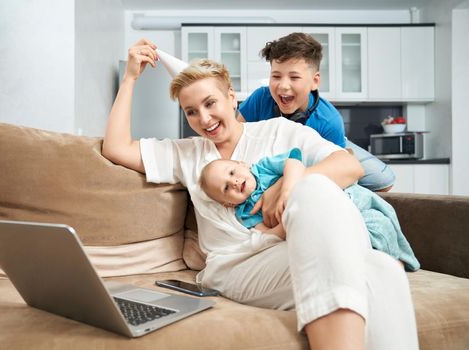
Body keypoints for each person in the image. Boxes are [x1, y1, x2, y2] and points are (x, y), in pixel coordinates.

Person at [102, 38, 418, 350]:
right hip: (238, 264)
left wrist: (288, 184)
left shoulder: (280, 131)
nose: (205, 119)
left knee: (383, 269)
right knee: (362, 265)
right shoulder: (186, 153)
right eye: (191, 112)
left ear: (231, 98)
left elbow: (348, 165)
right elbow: (115, 148)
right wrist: (130, 78)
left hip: (292, 247)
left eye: (210, 103)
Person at [198, 149, 420, 271]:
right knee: (351, 244)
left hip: (344, 198)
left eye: (231, 173)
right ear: (228, 203)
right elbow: (266, 234)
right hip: (316, 222)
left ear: (242, 164)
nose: (234, 182)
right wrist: (287, 225)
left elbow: (294, 162)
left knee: (376, 224)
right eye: (226, 188)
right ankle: (383, 266)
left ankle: (393, 260)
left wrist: (286, 190)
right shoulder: (244, 213)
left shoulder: (263, 167)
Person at [238, 32, 395, 198]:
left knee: (384, 181)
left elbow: (335, 169)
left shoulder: (329, 121)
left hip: (326, 145)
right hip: (280, 153)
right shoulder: (260, 98)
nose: (283, 86)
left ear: (315, 81)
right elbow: (237, 135)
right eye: (276, 76)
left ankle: (346, 146)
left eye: (294, 77)